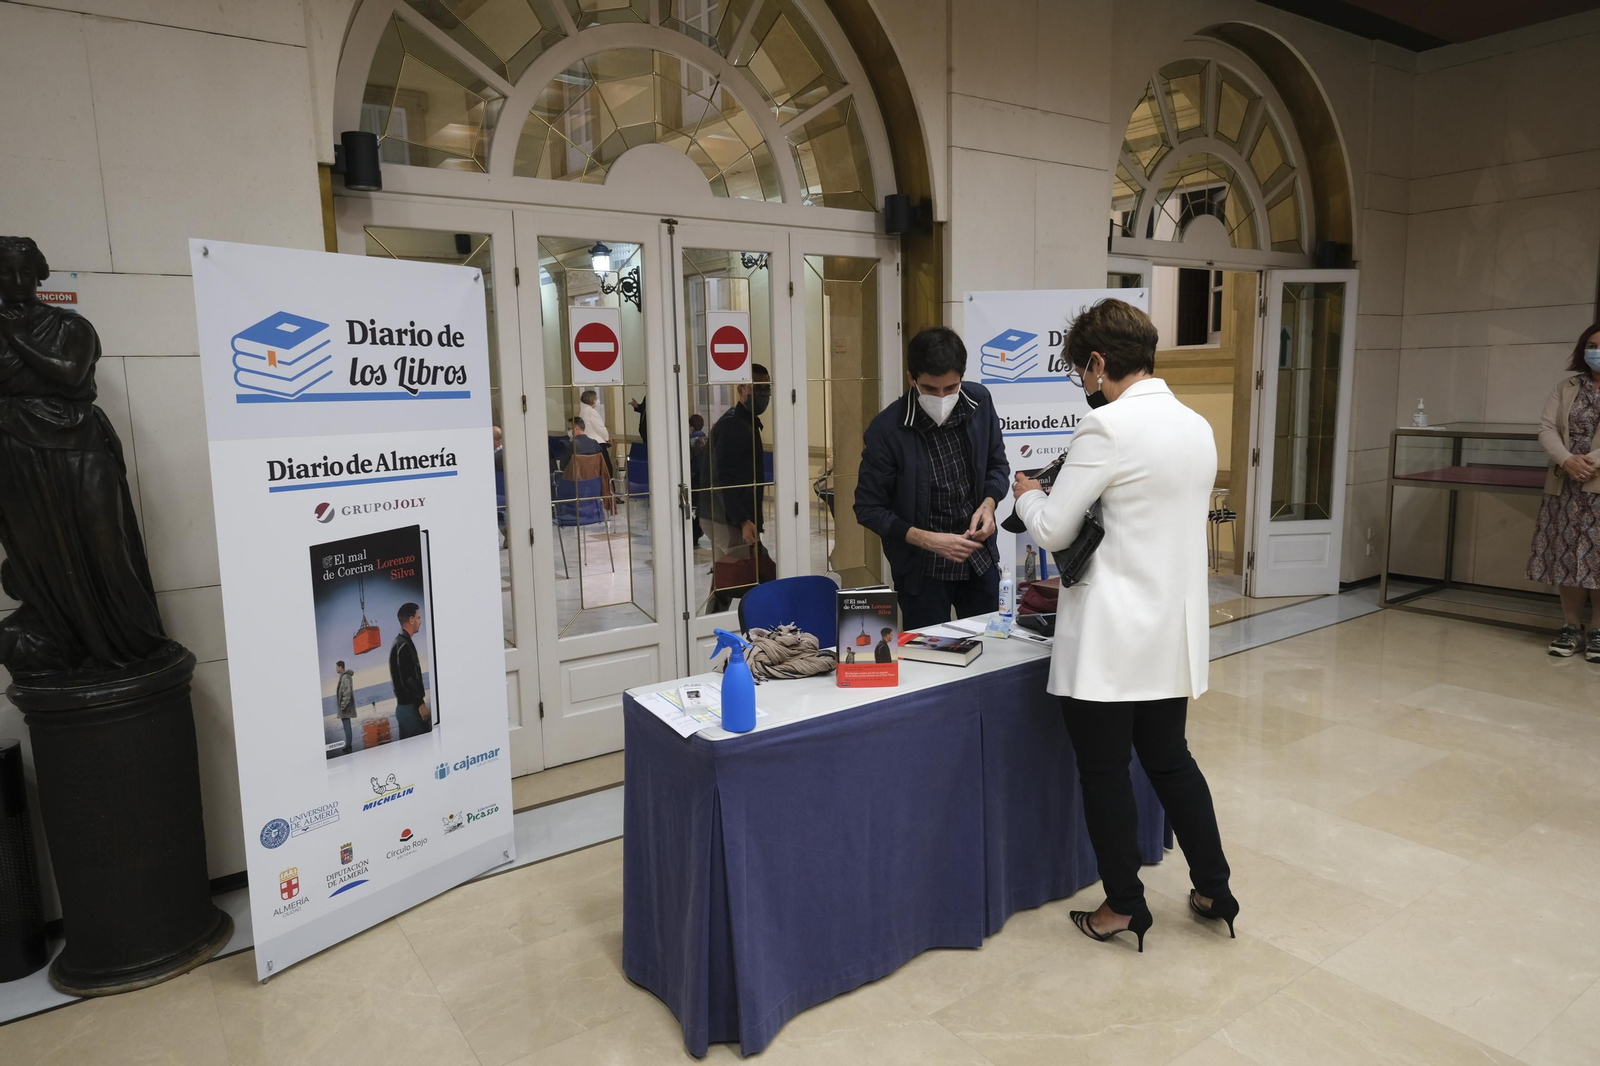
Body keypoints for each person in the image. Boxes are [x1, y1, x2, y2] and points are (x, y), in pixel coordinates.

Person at [1012, 298, 1235, 953]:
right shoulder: (1196, 425)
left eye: (1081, 371)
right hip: (1172, 632)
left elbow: (1053, 528)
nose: (1082, 384)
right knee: (1171, 764)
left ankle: (1123, 906)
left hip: (1112, 638)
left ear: (1100, 363)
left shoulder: (1106, 428)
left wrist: (1026, 490)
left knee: (1105, 771)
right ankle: (1215, 888)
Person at [854, 326, 1009, 630]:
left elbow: (997, 465)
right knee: (930, 660)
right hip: (922, 570)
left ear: (961, 378)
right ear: (911, 378)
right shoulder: (887, 430)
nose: (941, 397)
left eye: (950, 388)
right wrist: (927, 540)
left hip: (978, 558)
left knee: (993, 650)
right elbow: (868, 508)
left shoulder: (979, 402)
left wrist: (989, 505)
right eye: (930, 388)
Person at [1529, 323, 1600, 660]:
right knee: (1566, 558)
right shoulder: (1567, 387)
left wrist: (1589, 462)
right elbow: (1546, 429)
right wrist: (1567, 460)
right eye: (1592, 345)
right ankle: (1571, 626)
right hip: (1566, 486)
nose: (1596, 351)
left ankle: (1599, 630)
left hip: (1598, 483)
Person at [708, 365, 771, 610]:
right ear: (741, 390)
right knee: (734, 579)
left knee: (739, 577)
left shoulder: (746, 422)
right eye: (758, 388)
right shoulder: (732, 425)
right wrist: (743, 520)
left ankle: (716, 627)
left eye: (767, 388)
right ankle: (713, 629)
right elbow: (723, 479)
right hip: (729, 518)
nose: (764, 394)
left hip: (740, 516)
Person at [389, 602, 431, 739]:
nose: (420, 621)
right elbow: (407, 678)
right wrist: (420, 703)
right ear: (411, 620)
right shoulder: (404, 645)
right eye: (418, 617)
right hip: (410, 708)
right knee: (423, 749)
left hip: (404, 707)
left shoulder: (399, 642)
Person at [578, 389, 613, 480]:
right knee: (606, 469)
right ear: (592, 400)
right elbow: (600, 428)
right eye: (596, 398)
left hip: (588, 443)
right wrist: (607, 438)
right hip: (598, 443)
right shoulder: (592, 412)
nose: (597, 400)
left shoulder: (582, 411)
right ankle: (608, 489)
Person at [688, 413, 708, 547]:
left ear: (691, 426)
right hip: (705, 479)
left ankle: (693, 534)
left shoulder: (690, 441)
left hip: (694, 479)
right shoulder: (707, 439)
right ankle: (696, 532)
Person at [335, 660, 356, 753]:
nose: (336, 669)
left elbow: (347, 693)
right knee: (346, 727)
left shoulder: (345, 677)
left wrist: (343, 706)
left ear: (340, 667)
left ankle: (348, 746)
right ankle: (348, 745)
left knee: (347, 728)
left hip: (346, 708)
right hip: (345, 708)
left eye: (336, 667)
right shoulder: (342, 677)